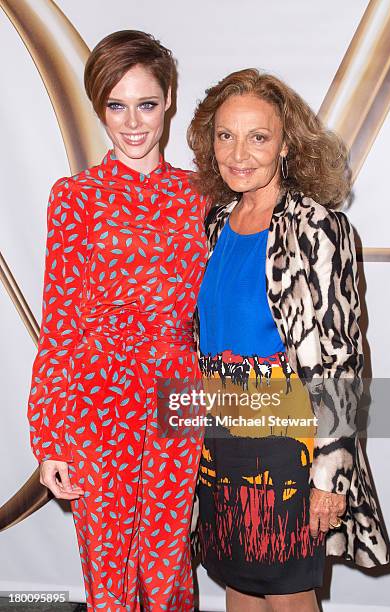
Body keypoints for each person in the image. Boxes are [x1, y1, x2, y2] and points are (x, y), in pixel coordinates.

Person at [187, 68, 390, 611]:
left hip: (289, 446)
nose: (238, 152)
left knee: (288, 592)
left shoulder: (318, 228)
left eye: (258, 136)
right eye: (225, 134)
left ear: (285, 146)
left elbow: (341, 359)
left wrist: (330, 475)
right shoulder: (216, 223)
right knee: (237, 582)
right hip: (221, 436)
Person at [27, 30, 207, 611]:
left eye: (147, 103)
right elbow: (59, 320)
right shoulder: (74, 197)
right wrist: (49, 434)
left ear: (170, 99)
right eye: (116, 105)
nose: (132, 122)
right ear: (99, 106)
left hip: (180, 392)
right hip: (96, 399)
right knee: (107, 567)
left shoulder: (202, 196)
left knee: (167, 562)